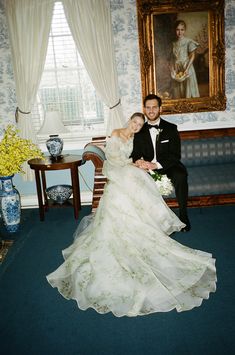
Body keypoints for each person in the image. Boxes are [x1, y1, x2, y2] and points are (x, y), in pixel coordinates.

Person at [46, 112, 216, 317]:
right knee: (132, 180)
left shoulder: (135, 137)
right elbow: (113, 159)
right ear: (129, 121)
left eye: (139, 125)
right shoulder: (116, 133)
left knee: (140, 179)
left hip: (127, 168)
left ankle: (144, 220)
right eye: (135, 123)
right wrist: (133, 165)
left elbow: (135, 156)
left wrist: (140, 163)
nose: (136, 126)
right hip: (117, 170)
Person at [131, 94, 191, 232]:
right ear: (144, 109)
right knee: (135, 179)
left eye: (154, 107)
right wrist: (139, 161)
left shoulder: (171, 128)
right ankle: (149, 220)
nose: (151, 110)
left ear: (160, 109)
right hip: (148, 169)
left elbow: (176, 155)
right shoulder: (139, 131)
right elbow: (134, 153)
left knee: (181, 175)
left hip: (168, 166)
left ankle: (183, 215)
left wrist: (156, 165)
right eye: (148, 107)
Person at [170, 20, 199, 98]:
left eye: (182, 30)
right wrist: (173, 69)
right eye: (177, 30)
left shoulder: (189, 41)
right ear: (175, 30)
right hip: (178, 68)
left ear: (184, 30)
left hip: (187, 66)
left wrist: (187, 69)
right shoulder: (173, 43)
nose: (180, 32)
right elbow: (172, 58)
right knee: (179, 91)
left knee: (188, 90)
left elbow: (192, 55)